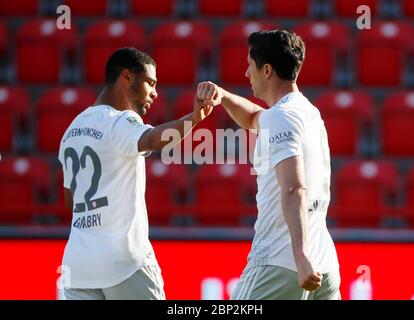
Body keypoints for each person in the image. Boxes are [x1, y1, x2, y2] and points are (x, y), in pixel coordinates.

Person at [58, 47, 213, 300]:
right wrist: (194, 119)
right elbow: (152, 140)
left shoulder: (71, 130)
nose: (155, 92)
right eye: (150, 83)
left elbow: (70, 201)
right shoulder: (119, 121)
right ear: (126, 77)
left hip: (79, 266)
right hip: (124, 262)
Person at [197, 29, 340, 300]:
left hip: (281, 260)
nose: (246, 74)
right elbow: (254, 119)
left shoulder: (281, 117)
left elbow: (294, 188)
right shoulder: (307, 112)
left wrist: (301, 256)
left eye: (250, 66)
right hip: (325, 262)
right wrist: (223, 96)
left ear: (266, 70)